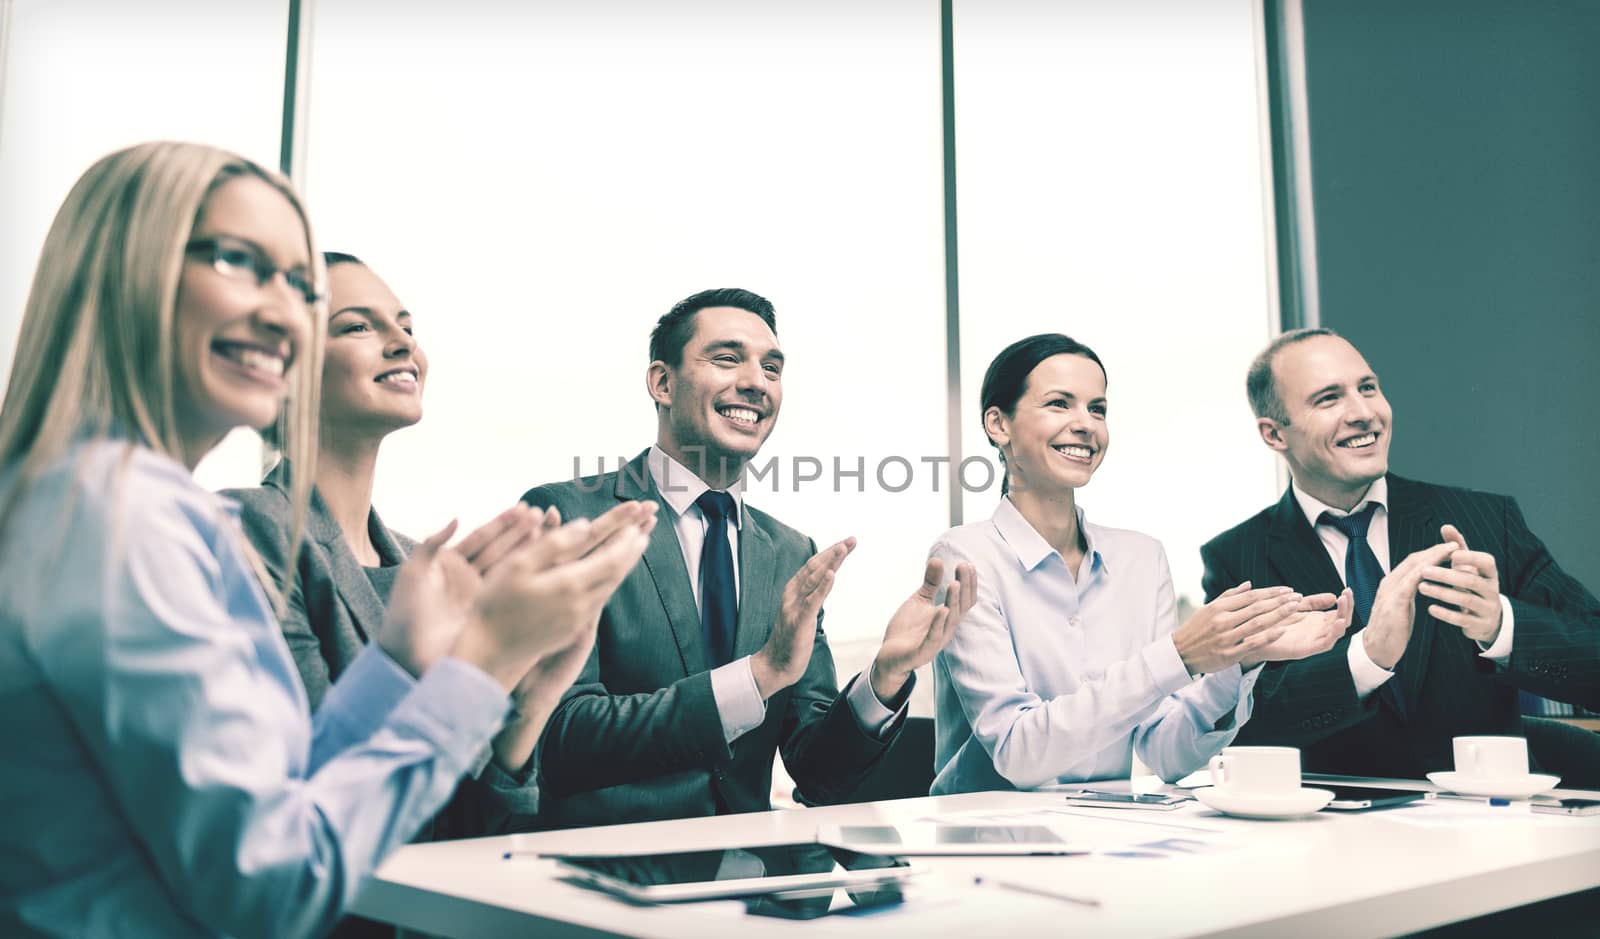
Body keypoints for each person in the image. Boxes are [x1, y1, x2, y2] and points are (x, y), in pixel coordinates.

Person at [0, 141, 652, 938]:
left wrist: (403, 665)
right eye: (242, 263)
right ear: (125, 269)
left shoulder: (119, 504)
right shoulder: (118, 519)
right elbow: (273, 885)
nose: (285, 313)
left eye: (299, 286)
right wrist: (478, 663)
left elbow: (277, 797)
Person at [519, 287, 978, 829]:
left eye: (773, 367)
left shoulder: (788, 552)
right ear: (662, 383)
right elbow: (557, 738)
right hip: (600, 876)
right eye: (727, 358)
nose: (757, 382)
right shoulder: (569, 517)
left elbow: (818, 772)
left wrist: (886, 673)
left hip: (751, 881)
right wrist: (758, 676)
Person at [929, 333, 1349, 794]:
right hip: (982, 839)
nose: (1086, 424)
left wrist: (1239, 662)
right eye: (1058, 404)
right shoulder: (965, 557)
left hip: (1106, 837)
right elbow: (1018, 752)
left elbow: (1166, 753)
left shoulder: (1141, 559)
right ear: (998, 424)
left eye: (1098, 409)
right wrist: (1178, 655)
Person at [229, 253, 547, 844]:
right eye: (357, 325)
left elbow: (471, 826)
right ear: (283, 367)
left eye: (406, 325)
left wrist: (527, 695)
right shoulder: (251, 526)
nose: (402, 341)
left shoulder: (419, 567)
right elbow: (307, 789)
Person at [1202, 328, 1600, 782]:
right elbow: (1238, 734)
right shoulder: (1237, 557)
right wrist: (1365, 659)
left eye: (1368, 388)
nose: (1364, 413)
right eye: (1329, 398)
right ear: (1274, 434)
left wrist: (1502, 625)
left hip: (1492, 827)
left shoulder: (1486, 520)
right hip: (1339, 836)